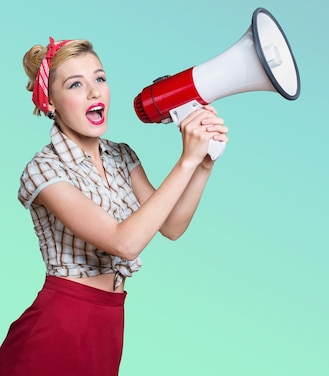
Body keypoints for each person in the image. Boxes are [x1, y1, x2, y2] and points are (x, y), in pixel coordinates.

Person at [0, 37, 228, 375]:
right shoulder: (43, 170)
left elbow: (171, 227)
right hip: (59, 326)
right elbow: (125, 241)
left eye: (100, 78)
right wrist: (184, 161)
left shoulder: (121, 155)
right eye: (76, 84)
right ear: (51, 103)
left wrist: (202, 164)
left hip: (109, 321)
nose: (94, 92)